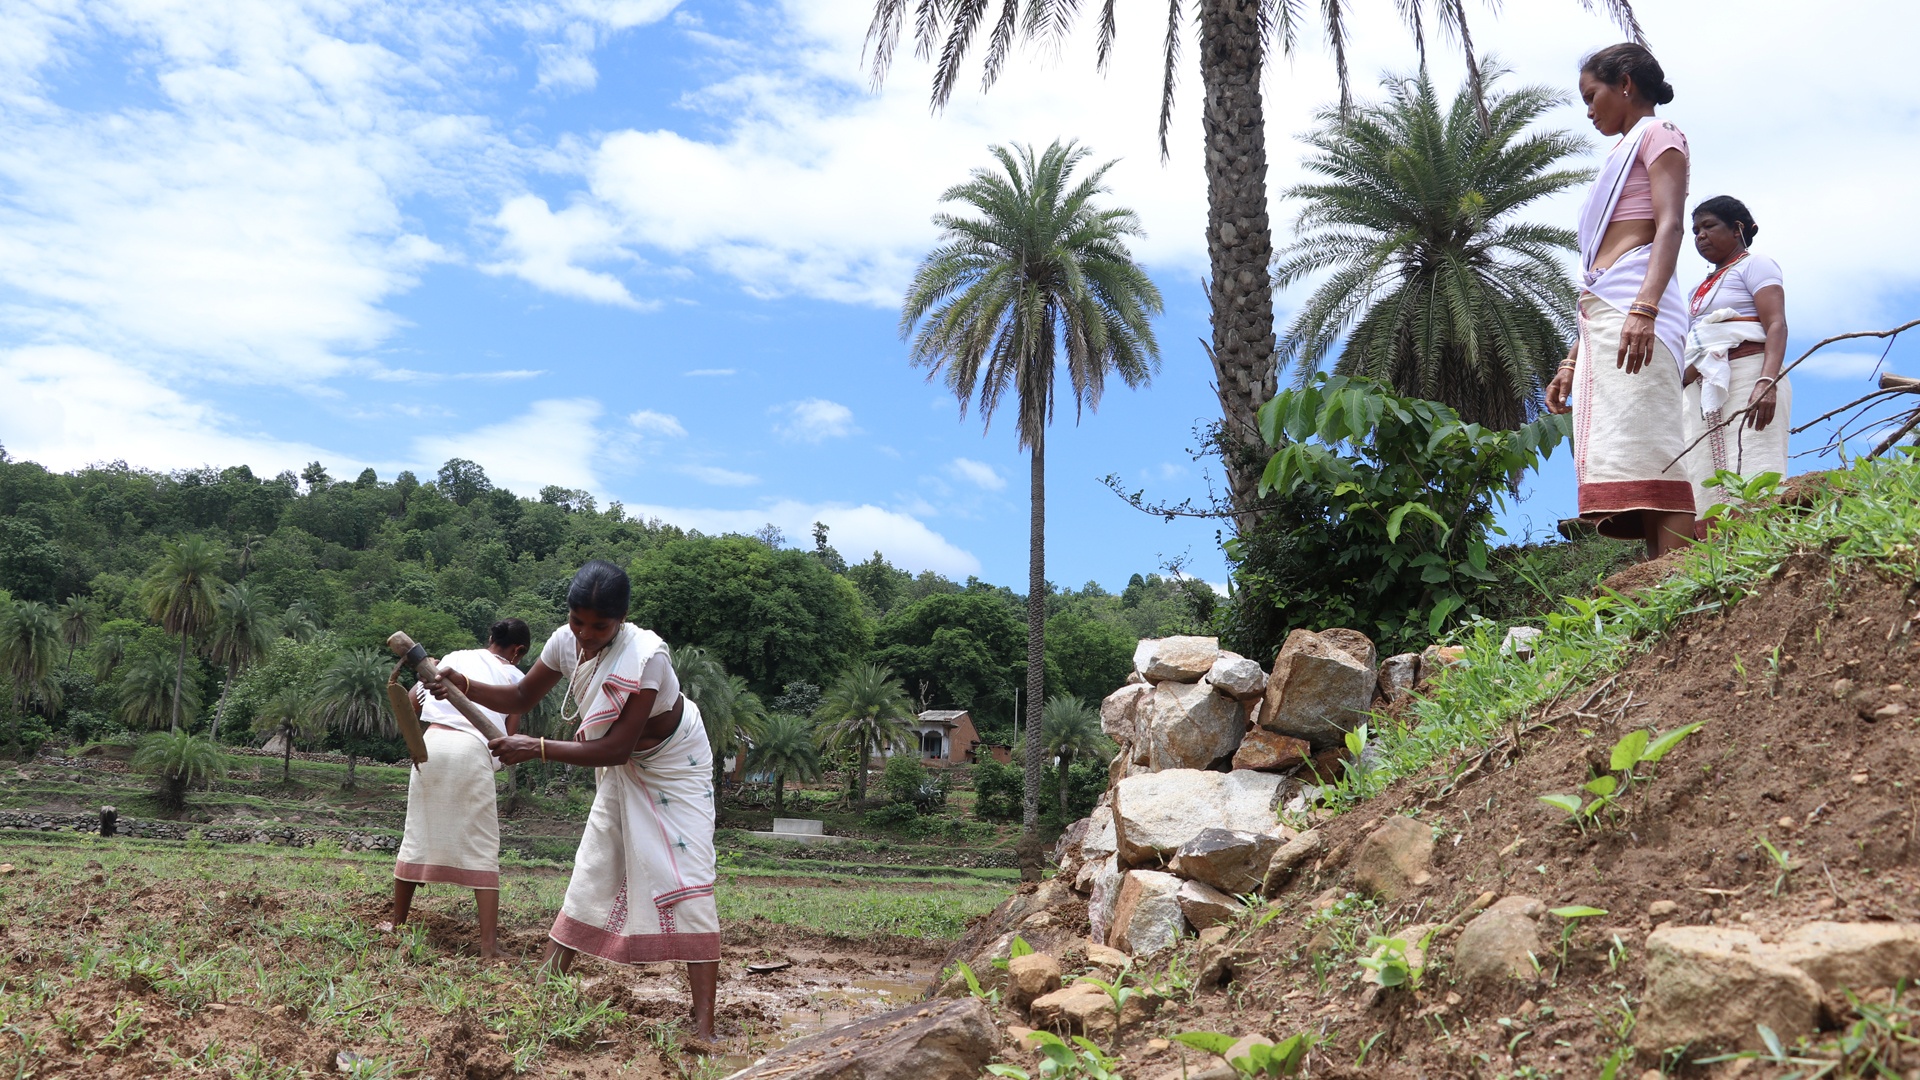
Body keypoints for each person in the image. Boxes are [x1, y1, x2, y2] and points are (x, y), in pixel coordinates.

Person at [425, 560, 719, 1042]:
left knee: (685, 875)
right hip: (620, 766)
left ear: (621, 619)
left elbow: (616, 746)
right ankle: (545, 986)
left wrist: (534, 748)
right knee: (595, 861)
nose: (585, 635)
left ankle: (703, 1025)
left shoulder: (648, 658)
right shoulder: (564, 641)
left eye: (599, 626)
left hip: (672, 763)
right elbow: (521, 697)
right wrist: (465, 685)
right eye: (577, 621)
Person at [1545, 43, 1696, 557]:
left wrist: (1645, 307)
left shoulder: (1661, 134)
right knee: (1633, 450)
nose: (1589, 110)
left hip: (1638, 303)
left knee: (1657, 445)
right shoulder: (1621, 151)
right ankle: (1662, 589)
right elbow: (1597, 274)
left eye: (1592, 96)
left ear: (1625, 83)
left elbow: (1670, 224)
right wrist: (1571, 359)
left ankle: (1685, 585)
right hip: (1610, 307)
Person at [385, 618, 529, 959]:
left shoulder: (453, 658)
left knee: (416, 834)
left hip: (431, 745)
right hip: (471, 750)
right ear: (518, 651)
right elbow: (508, 733)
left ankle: (398, 924)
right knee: (482, 844)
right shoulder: (515, 678)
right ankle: (488, 946)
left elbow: (410, 701)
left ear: (489, 637)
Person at [1679, 195, 1790, 524]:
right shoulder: (1696, 291)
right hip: (1704, 387)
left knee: (1754, 464)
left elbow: (1776, 324)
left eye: (1709, 226)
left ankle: (1765, 545)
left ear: (1737, 228)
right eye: (1696, 229)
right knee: (1703, 472)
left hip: (1749, 373)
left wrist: (1766, 382)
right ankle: (1720, 560)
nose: (1700, 235)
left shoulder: (1756, 265)